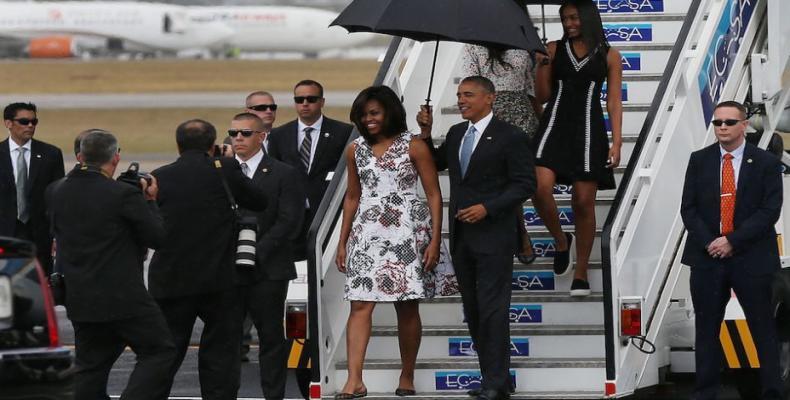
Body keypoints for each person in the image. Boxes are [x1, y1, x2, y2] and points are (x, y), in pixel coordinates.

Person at [417, 76, 535, 400]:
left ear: (490, 98)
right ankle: (494, 377)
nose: (461, 100)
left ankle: (496, 382)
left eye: (468, 94)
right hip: (462, 238)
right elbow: (436, 162)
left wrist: (488, 207)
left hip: (495, 235)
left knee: (493, 309)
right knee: (474, 309)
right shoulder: (456, 134)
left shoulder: (511, 137)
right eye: (458, 95)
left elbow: (525, 184)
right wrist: (425, 135)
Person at [336, 85, 455, 399]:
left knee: (407, 305)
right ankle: (354, 380)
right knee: (359, 304)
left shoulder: (413, 146)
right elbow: (352, 197)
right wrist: (342, 241)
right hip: (366, 230)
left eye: (374, 113)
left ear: (389, 112)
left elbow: (433, 194)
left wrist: (434, 240)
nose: (369, 119)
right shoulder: (355, 149)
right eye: (363, 115)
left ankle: (407, 374)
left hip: (407, 228)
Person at [46, 129, 176, 399]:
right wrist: (150, 201)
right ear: (116, 158)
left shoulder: (56, 190)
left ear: (80, 156)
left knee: (91, 365)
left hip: (79, 295)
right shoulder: (122, 195)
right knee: (159, 350)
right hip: (123, 297)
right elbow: (157, 238)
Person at [147, 119, 268, 400]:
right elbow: (259, 200)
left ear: (178, 146)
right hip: (220, 280)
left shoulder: (160, 176)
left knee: (165, 352)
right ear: (213, 144)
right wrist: (229, 164)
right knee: (221, 354)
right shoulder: (224, 169)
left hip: (171, 280)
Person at [681, 101, 783, 400]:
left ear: (744, 126)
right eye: (717, 123)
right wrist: (711, 243)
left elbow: (769, 210)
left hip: (751, 258)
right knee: (707, 328)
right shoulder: (699, 160)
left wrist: (732, 241)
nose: (722, 127)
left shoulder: (764, 163)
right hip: (707, 258)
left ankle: (772, 391)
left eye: (728, 122)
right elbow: (689, 209)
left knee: (762, 327)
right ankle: (706, 392)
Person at [531, 0, 623, 296]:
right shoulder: (554, 48)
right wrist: (541, 64)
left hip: (589, 129)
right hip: (554, 125)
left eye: (574, 17)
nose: (569, 23)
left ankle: (581, 271)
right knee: (539, 187)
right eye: (565, 18)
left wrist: (617, 141)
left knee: (583, 202)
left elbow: (613, 102)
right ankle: (561, 241)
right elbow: (543, 96)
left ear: (587, 18)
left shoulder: (609, 55)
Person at [229, 112, 305, 399]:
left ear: (261, 137)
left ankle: (273, 396)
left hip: (269, 269)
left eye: (245, 133)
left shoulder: (284, 173)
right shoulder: (222, 171)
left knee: (271, 337)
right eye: (233, 133)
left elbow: (290, 220)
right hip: (228, 270)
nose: (237, 138)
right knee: (227, 338)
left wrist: (255, 252)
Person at [462, 0, 540, 265]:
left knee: (522, 180)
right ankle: (521, 234)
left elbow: (531, 89)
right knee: (504, 182)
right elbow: (470, 86)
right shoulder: (474, 44)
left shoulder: (526, 41)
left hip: (522, 115)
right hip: (490, 115)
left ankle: (522, 235)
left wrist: (542, 63)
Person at [268, 79, 354, 260]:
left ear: (322, 102)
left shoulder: (344, 132)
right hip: (291, 217)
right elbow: (273, 177)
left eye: (311, 99)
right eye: (300, 100)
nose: (305, 104)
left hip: (327, 215)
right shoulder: (278, 135)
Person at [1, 102, 64, 274]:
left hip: (40, 235)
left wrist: (57, 234)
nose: (30, 125)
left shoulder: (51, 154)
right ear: (8, 123)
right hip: (4, 234)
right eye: (24, 121)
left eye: (33, 122)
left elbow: (57, 197)